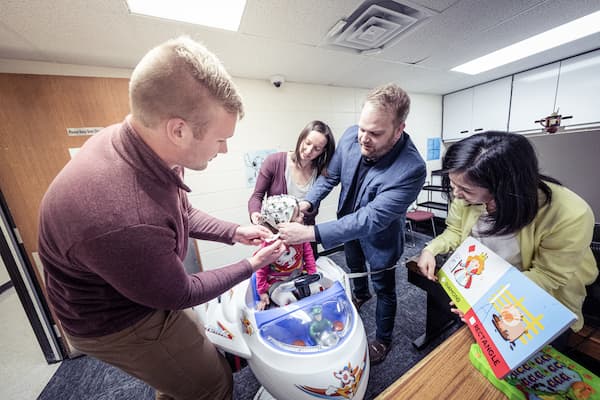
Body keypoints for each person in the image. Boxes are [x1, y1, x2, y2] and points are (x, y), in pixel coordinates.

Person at [38, 36, 286, 400]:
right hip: (114, 322)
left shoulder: (142, 145)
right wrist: (252, 264)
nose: (226, 149)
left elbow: (180, 211)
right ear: (179, 129)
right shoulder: (124, 216)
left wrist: (235, 232)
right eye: (220, 139)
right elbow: (180, 292)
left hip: (140, 291)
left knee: (189, 356)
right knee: (212, 385)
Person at [277, 83, 427, 365]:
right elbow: (330, 177)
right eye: (362, 128)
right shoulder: (350, 136)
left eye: (375, 133)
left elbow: (371, 218)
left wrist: (310, 233)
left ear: (399, 129)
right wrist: (307, 203)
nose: (363, 138)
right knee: (354, 265)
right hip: (347, 227)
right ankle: (360, 295)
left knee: (384, 288)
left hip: (380, 237)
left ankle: (383, 339)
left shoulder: (412, 168)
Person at [416, 131, 597, 339]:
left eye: (465, 189)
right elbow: (456, 231)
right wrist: (431, 249)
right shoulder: (466, 194)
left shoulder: (570, 214)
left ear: (504, 187)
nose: (456, 193)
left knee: (518, 353)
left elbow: (547, 276)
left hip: (537, 297)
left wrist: (486, 301)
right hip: (486, 284)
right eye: (453, 183)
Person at [248, 120, 335, 255]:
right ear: (302, 137)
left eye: (317, 149)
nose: (309, 150)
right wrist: (255, 214)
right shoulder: (274, 162)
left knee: (309, 272)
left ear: (323, 151)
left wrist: (300, 219)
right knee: (276, 274)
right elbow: (256, 196)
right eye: (307, 143)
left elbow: (313, 207)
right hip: (276, 238)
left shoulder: (321, 173)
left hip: (305, 238)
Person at [254, 195, 317, 310]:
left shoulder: (301, 236)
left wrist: (312, 273)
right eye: (298, 215)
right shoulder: (269, 244)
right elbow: (261, 268)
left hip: (298, 276)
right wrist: (262, 292)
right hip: (277, 282)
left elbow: (308, 255)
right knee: (288, 301)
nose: (302, 215)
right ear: (284, 223)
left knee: (315, 292)